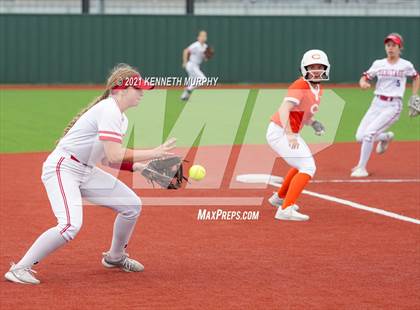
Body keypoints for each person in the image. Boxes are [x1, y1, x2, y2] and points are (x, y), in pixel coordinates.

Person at [4, 63, 176, 284]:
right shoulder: (109, 109)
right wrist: (154, 152)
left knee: (131, 206)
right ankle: (19, 268)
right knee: (69, 225)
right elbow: (114, 155)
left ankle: (115, 257)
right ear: (121, 89)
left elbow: (106, 158)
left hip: (85, 170)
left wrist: (138, 167)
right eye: (138, 88)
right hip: (63, 168)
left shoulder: (121, 118)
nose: (142, 92)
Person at [266, 50, 330, 221]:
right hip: (280, 131)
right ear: (304, 68)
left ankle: (279, 198)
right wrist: (290, 135)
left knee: (301, 162)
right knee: (308, 167)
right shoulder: (301, 85)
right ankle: (285, 210)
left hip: (288, 130)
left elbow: (304, 114)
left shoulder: (318, 89)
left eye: (319, 67)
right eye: (312, 67)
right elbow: (284, 108)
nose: (316, 70)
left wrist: (314, 123)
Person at [351, 33, 419, 177]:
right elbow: (365, 76)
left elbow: (416, 77)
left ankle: (361, 168)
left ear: (400, 47)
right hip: (376, 103)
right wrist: (363, 82)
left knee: (369, 134)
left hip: (393, 105)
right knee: (360, 137)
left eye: (394, 45)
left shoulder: (405, 65)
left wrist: (414, 95)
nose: (390, 48)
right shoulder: (378, 64)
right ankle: (385, 137)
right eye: (388, 45)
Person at [180, 30, 209, 101]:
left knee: (192, 82)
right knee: (203, 79)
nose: (203, 37)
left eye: (204, 36)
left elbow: (205, 59)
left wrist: (207, 56)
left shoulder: (205, 46)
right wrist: (184, 62)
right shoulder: (196, 45)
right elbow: (185, 51)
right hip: (191, 65)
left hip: (196, 66)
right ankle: (188, 89)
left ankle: (184, 96)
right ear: (198, 37)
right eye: (201, 36)